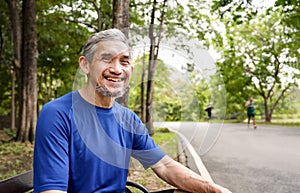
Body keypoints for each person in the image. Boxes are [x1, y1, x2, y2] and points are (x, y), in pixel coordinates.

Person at [33, 29, 232, 193]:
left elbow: (164, 165)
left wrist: (215, 190)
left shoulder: (127, 118)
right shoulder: (57, 113)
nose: (117, 69)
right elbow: (52, 190)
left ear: (131, 70)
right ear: (85, 65)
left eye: (124, 61)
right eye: (107, 59)